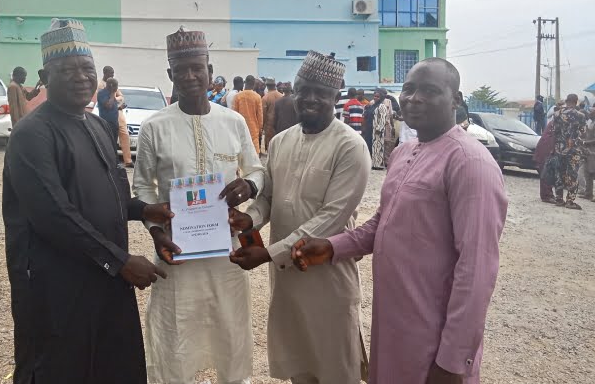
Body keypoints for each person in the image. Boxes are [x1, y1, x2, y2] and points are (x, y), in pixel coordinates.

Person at [293, 58, 508, 384]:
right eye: (408, 89)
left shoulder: (469, 162)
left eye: (430, 91)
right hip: (393, 323)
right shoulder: (404, 152)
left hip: (432, 337)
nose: (415, 98)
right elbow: (383, 222)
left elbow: (477, 269)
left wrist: (453, 360)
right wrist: (331, 247)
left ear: (457, 100)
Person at [2, 19, 172, 384]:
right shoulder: (32, 135)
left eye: (86, 69)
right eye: (67, 70)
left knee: (112, 365)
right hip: (57, 288)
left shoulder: (95, 125)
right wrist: (121, 260)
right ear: (45, 76)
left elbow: (109, 194)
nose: (81, 77)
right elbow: (54, 215)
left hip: (105, 280)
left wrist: (143, 210)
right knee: (60, 368)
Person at [229, 51, 371, 384]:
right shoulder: (280, 142)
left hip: (327, 278)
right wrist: (249, 220)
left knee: (335, 367)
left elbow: (333, 217)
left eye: (321, 92)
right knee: (300, 367)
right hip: (288, 280)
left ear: (336, 96)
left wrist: (268, 253)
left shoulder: (350, 146)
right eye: (304, 89)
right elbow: (268, 197)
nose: (310, 98)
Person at [133, 27, 265, 384]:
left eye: (197, 68)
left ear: (210, 69)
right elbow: (143, 186)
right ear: (170, 74)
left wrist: (249, 184)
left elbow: (256, 168)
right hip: (177, 252)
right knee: (173, 336)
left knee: (232, 333)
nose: (190, 76)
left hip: (227, 254)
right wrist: (157, 232)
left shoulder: (233, 121)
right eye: (181, 69)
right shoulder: (154, 127)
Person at [553, 93, 587, 209]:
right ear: (576, 102)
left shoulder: (557, 114)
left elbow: (554, 130)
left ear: (567, 101)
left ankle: (558, 199)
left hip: (559, 148)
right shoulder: (580, 116)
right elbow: (583, 132)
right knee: (572, 175)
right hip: (573, 149)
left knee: (559, 173)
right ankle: (569, 201)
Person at [97, 66, 133, 167]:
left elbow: (121, 97)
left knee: (123, 136)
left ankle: (127, 161)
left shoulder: (113, 85)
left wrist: (118, 103)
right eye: (111, 73)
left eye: (113, 73)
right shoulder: (102, 87)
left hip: (117, 117)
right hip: (107, 119)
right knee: (109, 141)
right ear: (105, 73)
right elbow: (108, 104)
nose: (112, 74)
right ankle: (110, 162)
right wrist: (114, 96)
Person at [233, 75, 264, 155]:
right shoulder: (257, 97)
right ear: (254, 84)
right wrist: (260, 129)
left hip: (240, 128)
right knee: (254, 153)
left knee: (242, 151)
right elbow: (260, 116)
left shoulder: (238, 96)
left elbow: (234, 114)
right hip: (254, 129)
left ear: (244, 83)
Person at [534, 119, 557, 203]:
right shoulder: (555, 125)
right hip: (545, 152)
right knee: (546, 173)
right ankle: (546, 196)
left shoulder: (554, 124)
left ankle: (548, 194)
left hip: (546, 151)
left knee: (548, 173)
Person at [371, 88, 395, 169]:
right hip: (377, 127)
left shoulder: (388, 101)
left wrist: (393, 126)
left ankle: (386, 162)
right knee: (377, 144)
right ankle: (377, 162)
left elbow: (391, 114)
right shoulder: (372, 102)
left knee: (387, 144)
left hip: (387, 126)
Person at [261, 77, 283, 152]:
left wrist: (262, 127)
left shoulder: (265, 98)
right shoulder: (281, 96)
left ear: (267, 85)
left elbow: (263, 115)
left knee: (271, 149)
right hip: (280, 126)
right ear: (275, 85)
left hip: (269, 127)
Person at [583, 108, 595, 202]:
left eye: (591, 112)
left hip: (592, 151)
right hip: (588, 151)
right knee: (587, 173)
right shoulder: (591, 123)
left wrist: (586, 142)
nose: (589, 113)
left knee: (592, 172)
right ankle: (588, 193)